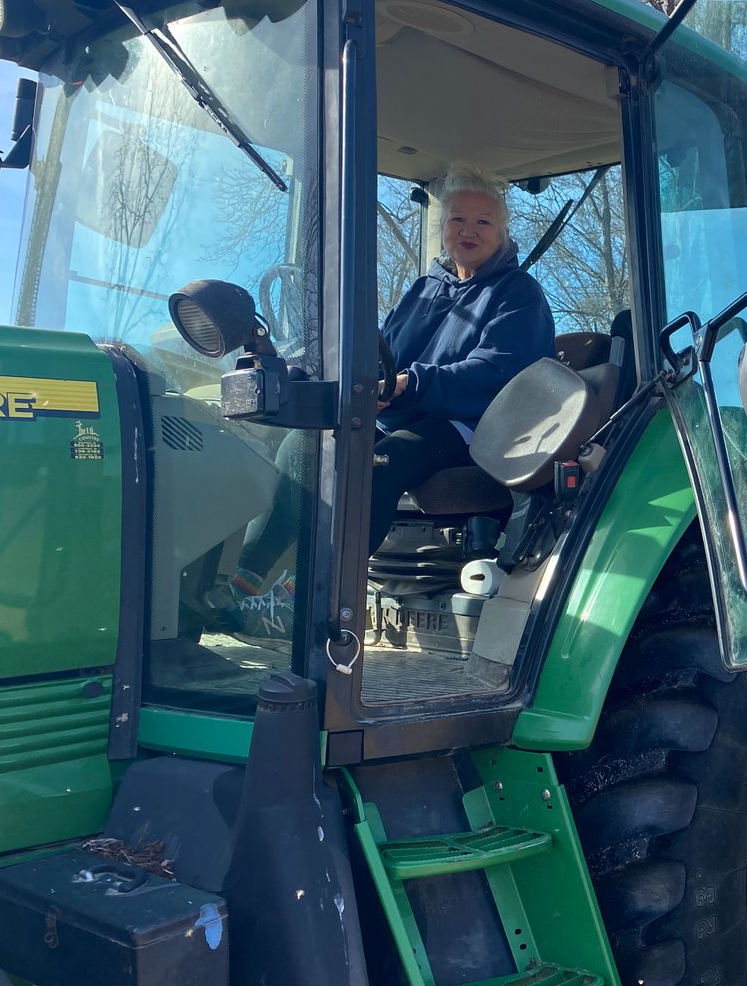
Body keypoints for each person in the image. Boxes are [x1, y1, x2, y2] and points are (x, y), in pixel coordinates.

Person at [212, 164, 555, 637]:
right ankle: (244, 585)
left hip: (470, 425)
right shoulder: (423, 289)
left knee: (375, 462)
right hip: (403, 411)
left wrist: (411, 383)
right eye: (457, 219)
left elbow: (498, 371)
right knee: (301, 448)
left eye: (483, 222)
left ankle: (308, 603)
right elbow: (381, 352)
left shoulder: (518, 295)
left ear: (502, 232)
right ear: (442, 228)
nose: (468, 230)